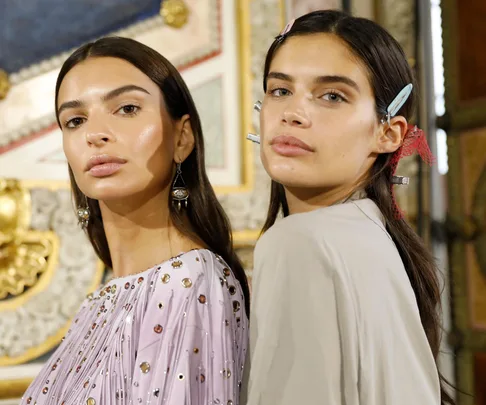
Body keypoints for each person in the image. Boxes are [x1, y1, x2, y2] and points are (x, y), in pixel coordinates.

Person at [21, 37, 249, 405]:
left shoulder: (189, 280)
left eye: (126, 109)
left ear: (182, 137)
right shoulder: (101, 300)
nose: (96, 134)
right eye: (75, 120)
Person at [243, 10, 454, 405]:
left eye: (332, 96)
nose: (292, 113)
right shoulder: (374, 237)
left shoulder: (299, 242)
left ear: (388, 133)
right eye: (280, 90)